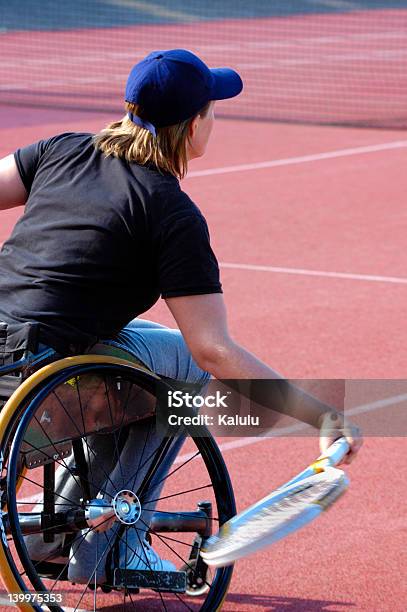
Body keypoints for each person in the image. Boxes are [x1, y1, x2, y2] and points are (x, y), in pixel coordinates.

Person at [0, 49, 362, 585]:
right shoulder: (169, 211)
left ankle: (58, 527)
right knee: (186, 367)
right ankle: (114, 543)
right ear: (193, 126)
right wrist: (322, 416)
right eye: (212, 111)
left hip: (10, 349)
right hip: (40, 374)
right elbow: (213, 351)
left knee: (151, 341)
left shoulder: (61, 150)